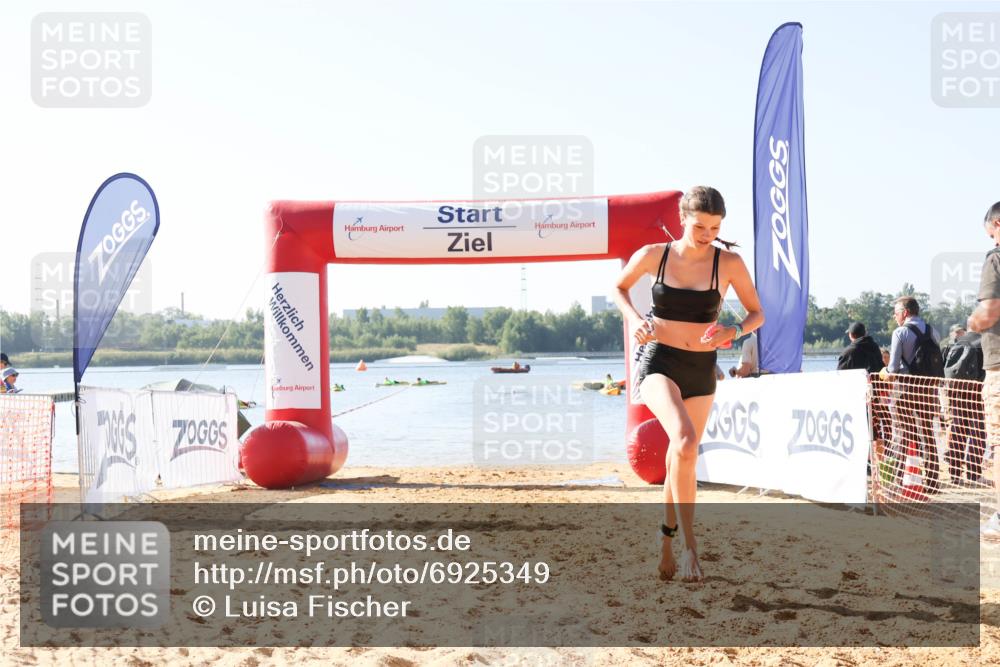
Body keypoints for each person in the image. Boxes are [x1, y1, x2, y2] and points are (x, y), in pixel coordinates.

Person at [613, 186, 764, 582]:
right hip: (658, 360)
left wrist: (733, 331)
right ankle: (690, 547)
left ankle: (665, 540)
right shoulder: (654, 255)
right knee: (684, 440)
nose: (707, 234)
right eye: (699, 226)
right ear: (682, 219)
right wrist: (636, 319)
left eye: (714, 228)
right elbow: (620, 287)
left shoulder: (728, 263)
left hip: (701, 368)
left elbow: (756, 313)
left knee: (681, 455)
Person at [885, 296, 943, 492]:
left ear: (905, 312)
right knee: (928, 434)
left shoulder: (900, 333)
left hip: (906, 390)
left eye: (896, 313)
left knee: (903, 434)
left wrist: (885, 372)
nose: (895, 316)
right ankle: (933, 483)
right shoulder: (932, 331)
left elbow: (893, 367)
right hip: (929, 390)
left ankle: (898, 479)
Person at [967, 201, 1000, 538]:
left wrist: (973, 322)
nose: (992, 240)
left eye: (991, 234)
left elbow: (989, 312)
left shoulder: (995, 259)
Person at [943, 330, 986, 486]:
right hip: (975, 392)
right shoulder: (983, 342)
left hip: (955, 391)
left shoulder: (957, 342)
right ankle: (974, 474)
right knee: (977, 433)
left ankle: (955, 474)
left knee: (957, 431)